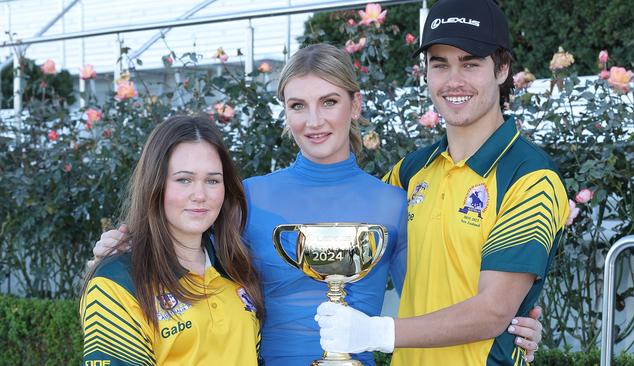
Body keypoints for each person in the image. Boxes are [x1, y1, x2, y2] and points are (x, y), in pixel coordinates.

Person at [92, 44, 543, 365]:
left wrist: (514, 325)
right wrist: (120, 247)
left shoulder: (392, 201)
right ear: (284, 113)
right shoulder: (243, 197)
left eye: (328, 102)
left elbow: (434, 296)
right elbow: (178, 249)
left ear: (355, 104)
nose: (314, 121)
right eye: (297, 105)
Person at [315, 1, 569, 365]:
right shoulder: (411, 171)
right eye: (440, 64)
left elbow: (494, 311)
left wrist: (377, 332)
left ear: (502, 68)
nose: (454, 81)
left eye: (470, 63)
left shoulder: (530, 178)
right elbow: (343, 237)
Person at [80, 115, 264, 365]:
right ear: (155, 185)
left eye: (212, 180)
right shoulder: (118, 281)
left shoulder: (235, 267)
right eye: (184, 179)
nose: (200, 195)